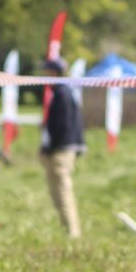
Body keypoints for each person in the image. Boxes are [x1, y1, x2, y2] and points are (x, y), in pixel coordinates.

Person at [39, 58, 84, 238]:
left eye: (47, 71)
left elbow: (63, 125)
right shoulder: (65, 92)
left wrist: (50, 146)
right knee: (58, 191)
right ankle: (69, 230)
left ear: (54, 73)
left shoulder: (62, 94)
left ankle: (71, 232)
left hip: (61, 150)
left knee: (62, 191)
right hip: (61, 148)